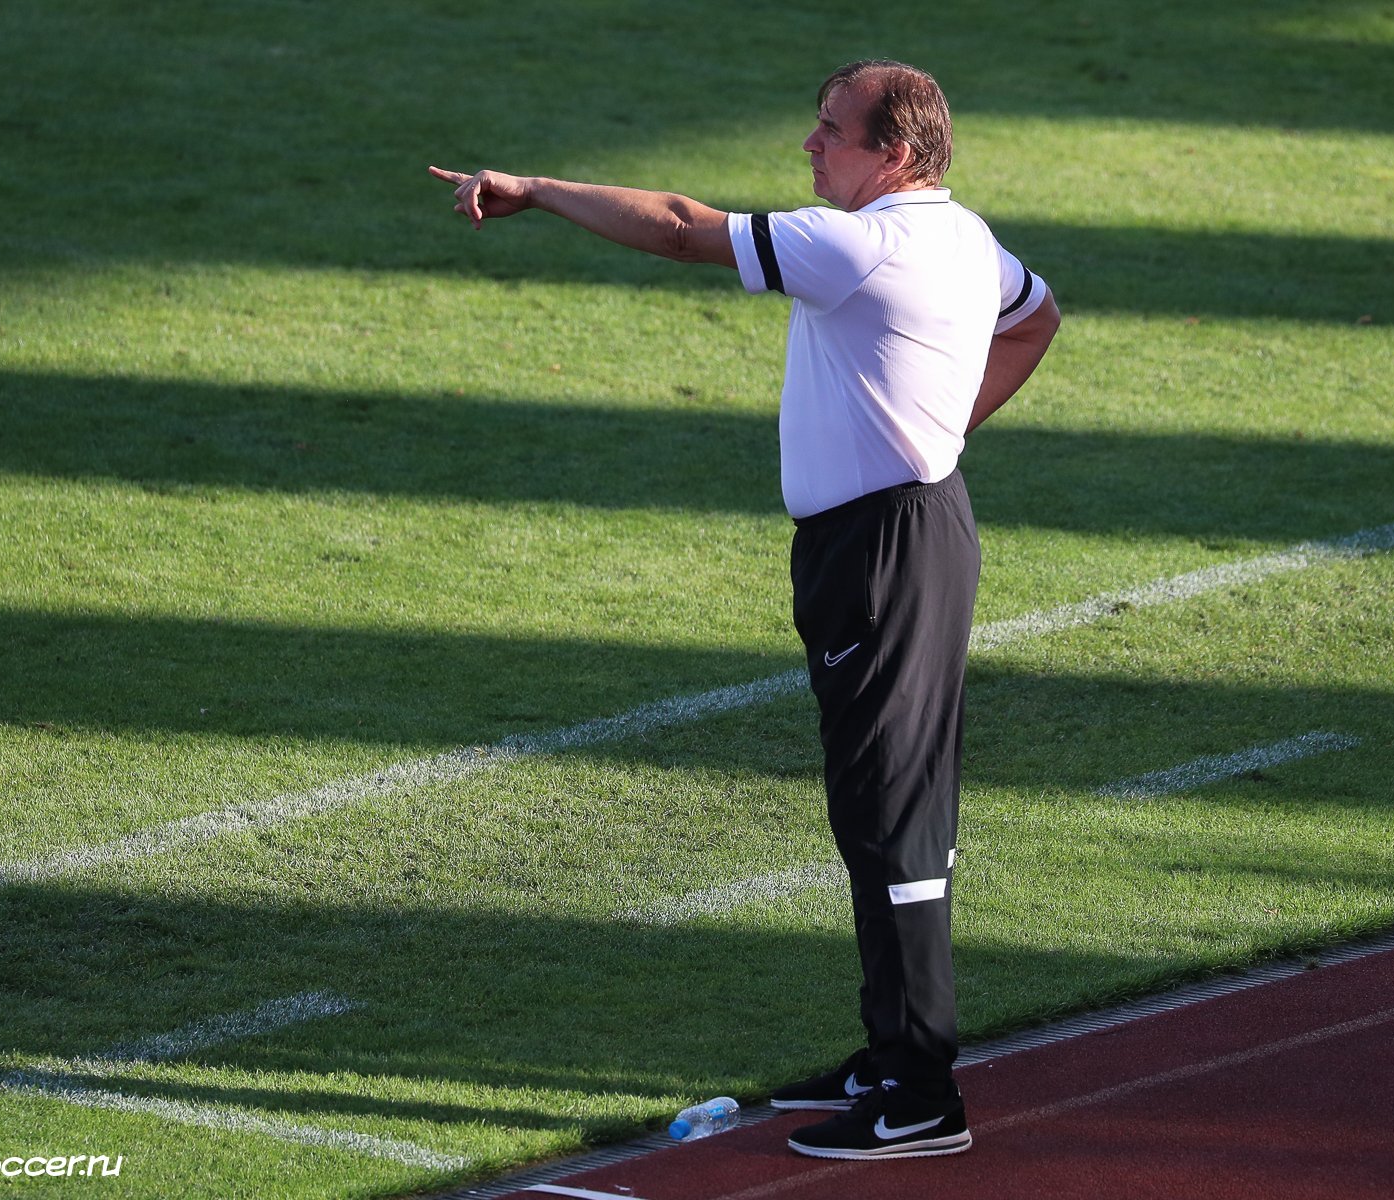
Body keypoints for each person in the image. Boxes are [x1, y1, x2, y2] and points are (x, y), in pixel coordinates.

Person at [430, 58, 1060, 1161]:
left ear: (894, 152)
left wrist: (536, 189)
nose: (810, 147)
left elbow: (682, 227)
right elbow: (1035, 320)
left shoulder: (861, 244)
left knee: (892, 812)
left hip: (885, 549)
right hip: (898, 531)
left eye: (831, 131)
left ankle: (921, 1093)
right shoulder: (964, 239)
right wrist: (939, 428)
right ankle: (889, 1053)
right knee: (873, 802)